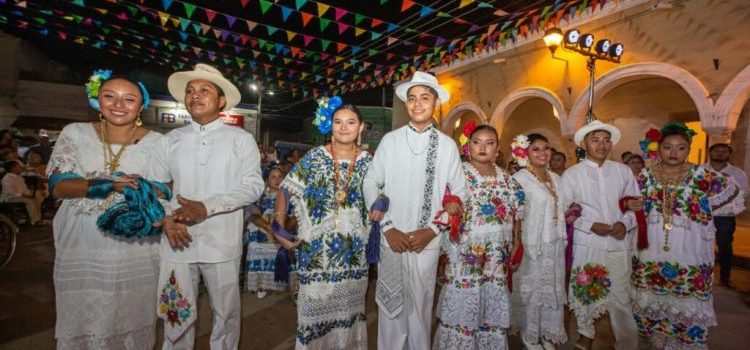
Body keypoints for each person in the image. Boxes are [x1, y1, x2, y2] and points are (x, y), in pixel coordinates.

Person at [46, 71, 167, 349]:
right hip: (82, 239)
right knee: (85, 305)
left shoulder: (158, 142)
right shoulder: (75, 133)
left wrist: (143, 187)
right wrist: (109, 185)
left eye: (129, 99)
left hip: (134, 237)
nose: (119, 105)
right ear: (96, 99)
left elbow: (168, 188)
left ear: (142, 105)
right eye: (109, 96)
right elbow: (59, 186)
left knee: (132, 308)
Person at [154, 63, 264, 349]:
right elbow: (155, 188)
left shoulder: (240, 139)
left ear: (221, 100)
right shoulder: (171, 140)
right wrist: (168, 218)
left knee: (226, 314)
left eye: (205, 90)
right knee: (176, 312)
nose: (195, 95)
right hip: (177, 240)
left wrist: (206, 207)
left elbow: (253, 186)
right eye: (190, 91)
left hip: (221, 242)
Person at [363, 71, 467, 350]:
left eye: (424, 97)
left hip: (426, 241)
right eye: (412, 98)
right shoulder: (390, 140)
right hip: (392, 238)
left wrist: (433, 230)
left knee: (421, 307)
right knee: (390, 306)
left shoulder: (447, 146)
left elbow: (458, 195)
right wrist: (387, 228)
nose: (417, 104)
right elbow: (371, 181)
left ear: (435, 102)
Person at [631, 122, 743, 349]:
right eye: (668, 147)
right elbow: (628, 202)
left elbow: (733, 194)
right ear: (659, 148)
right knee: (650, 298)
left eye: (681, 148)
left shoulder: (702, 175)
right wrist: (632, 205)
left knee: (687, 297)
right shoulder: (644, 176)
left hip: (690, 248)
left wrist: (705, 209)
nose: (674, 153)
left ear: (689, 149)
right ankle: (655, 340)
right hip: (651, 246)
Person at [274, 102, 373, 349]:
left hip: (354, 256)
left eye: (351, 122)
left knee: (349, 317)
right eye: (338, 122)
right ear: (331, 126)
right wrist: (278, 225)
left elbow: (382, 197)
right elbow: (286, 190)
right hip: (315, 254)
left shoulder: (369, 162)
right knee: (313, 319)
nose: (344, 127)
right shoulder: (314, 157)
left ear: (360, 127)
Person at [433, 125, 523, 349]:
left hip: (496, 253)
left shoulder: (508, 179)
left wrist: (517, 242)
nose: (483, 147)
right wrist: (449, 203)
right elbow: (441, 203)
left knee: (490, 304)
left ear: (497, 148)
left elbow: (516, 216)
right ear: (468, 146)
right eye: (477, 142)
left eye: (489, 142)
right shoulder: (457, 173)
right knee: (464, 301)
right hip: (466, 252)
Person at [560, 120, 639, 350]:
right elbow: (565, 210)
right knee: (587, 292)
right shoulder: (572, 174)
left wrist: (625, 223)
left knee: (621, 297)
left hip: (619, 243)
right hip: (589, 243)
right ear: (585, 144)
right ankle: (586, 334)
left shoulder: (623, 172)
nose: (601, 145)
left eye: (606, 140)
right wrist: (589, 225)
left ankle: (627, 343)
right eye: (595, 140)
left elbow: (636, 206)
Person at [510, 133, 568, 349]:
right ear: (525, 153)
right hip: (531, 243)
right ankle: (529, 334)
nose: (543, 153)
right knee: (531, 289)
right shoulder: (519, 179)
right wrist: (516, 243)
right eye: (536, 149)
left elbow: (559, 206)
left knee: (550, 288)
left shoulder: (556, 178)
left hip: (554, 243)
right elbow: (514, 215)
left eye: (546, 148)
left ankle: (547, 331)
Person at [245, 166, 296, 298]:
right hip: (264, 228)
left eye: (280, 177)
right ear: (267, 180)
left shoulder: (291, 195)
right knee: (256, 243)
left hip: (284, 228)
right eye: (273, 177)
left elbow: (295, 216)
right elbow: (251, 214)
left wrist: (283, 227)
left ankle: (293, 288)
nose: (277, 180)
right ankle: (263, 284)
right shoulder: (259, 196)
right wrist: (267, 226)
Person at [705, 143, 748, 289]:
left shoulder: (737, 173)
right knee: (700, 245)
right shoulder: (699, 171)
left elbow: (744, 193)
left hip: (725, 216)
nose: (720, 153)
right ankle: (702, 277)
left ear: (729, 155)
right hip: (702, 216)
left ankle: (725, 277)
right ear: (710, 152)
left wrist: (728, 205)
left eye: (724, 151)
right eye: (717, 150)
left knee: (724, 246)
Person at [1, 160, 44, 225]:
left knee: (36, 199)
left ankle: (38, 219)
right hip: (10, 198)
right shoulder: (8, 178)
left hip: (20, 196)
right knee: (29, 201)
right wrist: (23, 195)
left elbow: (24, 189)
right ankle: (35, 220)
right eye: (18, 166)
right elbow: (10, 192)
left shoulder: (19, 177)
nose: (21, 168)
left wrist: (30, 194)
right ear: (13, 168)